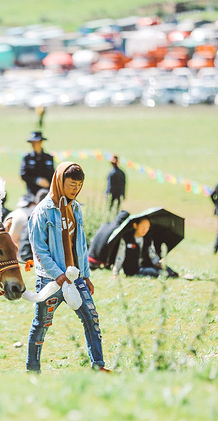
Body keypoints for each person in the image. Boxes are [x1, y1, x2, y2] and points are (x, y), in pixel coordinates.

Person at [26, 161, 109, 373]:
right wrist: (58, 275)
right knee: (41, 325)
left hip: (76, 277)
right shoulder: (42, 212)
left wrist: (86, 275)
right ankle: (32, 370)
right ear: (59, 181)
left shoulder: (76, 209)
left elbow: (80, 245)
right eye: (72, 184)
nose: (75, 189)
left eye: (79, 185)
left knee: (92, 319)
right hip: (50, 281)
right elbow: (39, 249)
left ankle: (98, 366)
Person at [111, 217, 178, 278]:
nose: (145, 230)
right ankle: (169, 275)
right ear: (135, 225)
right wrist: (115, 273)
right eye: (143, 226)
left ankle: (173, 274)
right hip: (133, 270)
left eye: (147, 227)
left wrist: (158, 263)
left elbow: (152, 254)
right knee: (153, 272)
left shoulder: (148, 239)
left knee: (166, 268)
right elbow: (120, 257)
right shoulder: (126, 239)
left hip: (146, 266)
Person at [21, 131, 55, 197]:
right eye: (31, 142)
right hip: (32, 193)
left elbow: (53, 174)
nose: (33, 144)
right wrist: (37, 180)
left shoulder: (49, 157)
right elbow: (23, 175)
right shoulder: (27, 158)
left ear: (40, 142)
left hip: (47, 193)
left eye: (35, 142)